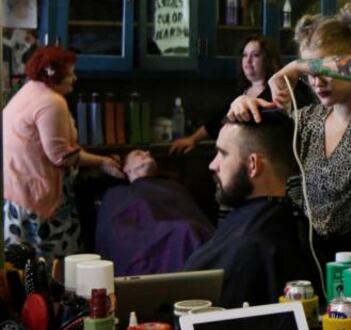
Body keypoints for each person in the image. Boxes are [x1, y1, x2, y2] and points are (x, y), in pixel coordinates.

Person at [228, 4, 351, 294]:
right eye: (311, 71)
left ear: (350, 61)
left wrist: (299, 66)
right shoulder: (307, 120)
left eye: (324, 67)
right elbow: (250, 144)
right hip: (312, 261)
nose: (316, 80)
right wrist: (240, 107)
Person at [182, 112, 319, 307]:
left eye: (223, 154)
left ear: (253, 165)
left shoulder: (254, 244)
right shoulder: (275, 226)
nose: (213, 165)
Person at [3, 46, 125, 261]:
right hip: (41, 201)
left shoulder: (28, 91)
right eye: (70, 73)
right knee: (56, 268)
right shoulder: (51, 102)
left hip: (17, 193)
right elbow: (61, 155)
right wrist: (102, 161)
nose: (74, 78)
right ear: (53, 75)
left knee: (23, 270)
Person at [95, 150, 214, 275]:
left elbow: (197, 219)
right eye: (137, 154)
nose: (147, 152)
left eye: (148, 154)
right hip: (145, 255)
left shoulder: (174, 187)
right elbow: (117, 236)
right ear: (126, 168)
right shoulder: (116, 195)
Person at [171, 35, 294, 154]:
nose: (248, 61)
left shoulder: (278, 92)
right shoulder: (242, 93)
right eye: (245, 55)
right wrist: (193, 139)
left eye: (255, 55)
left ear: (268, 60)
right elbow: (216, 122)